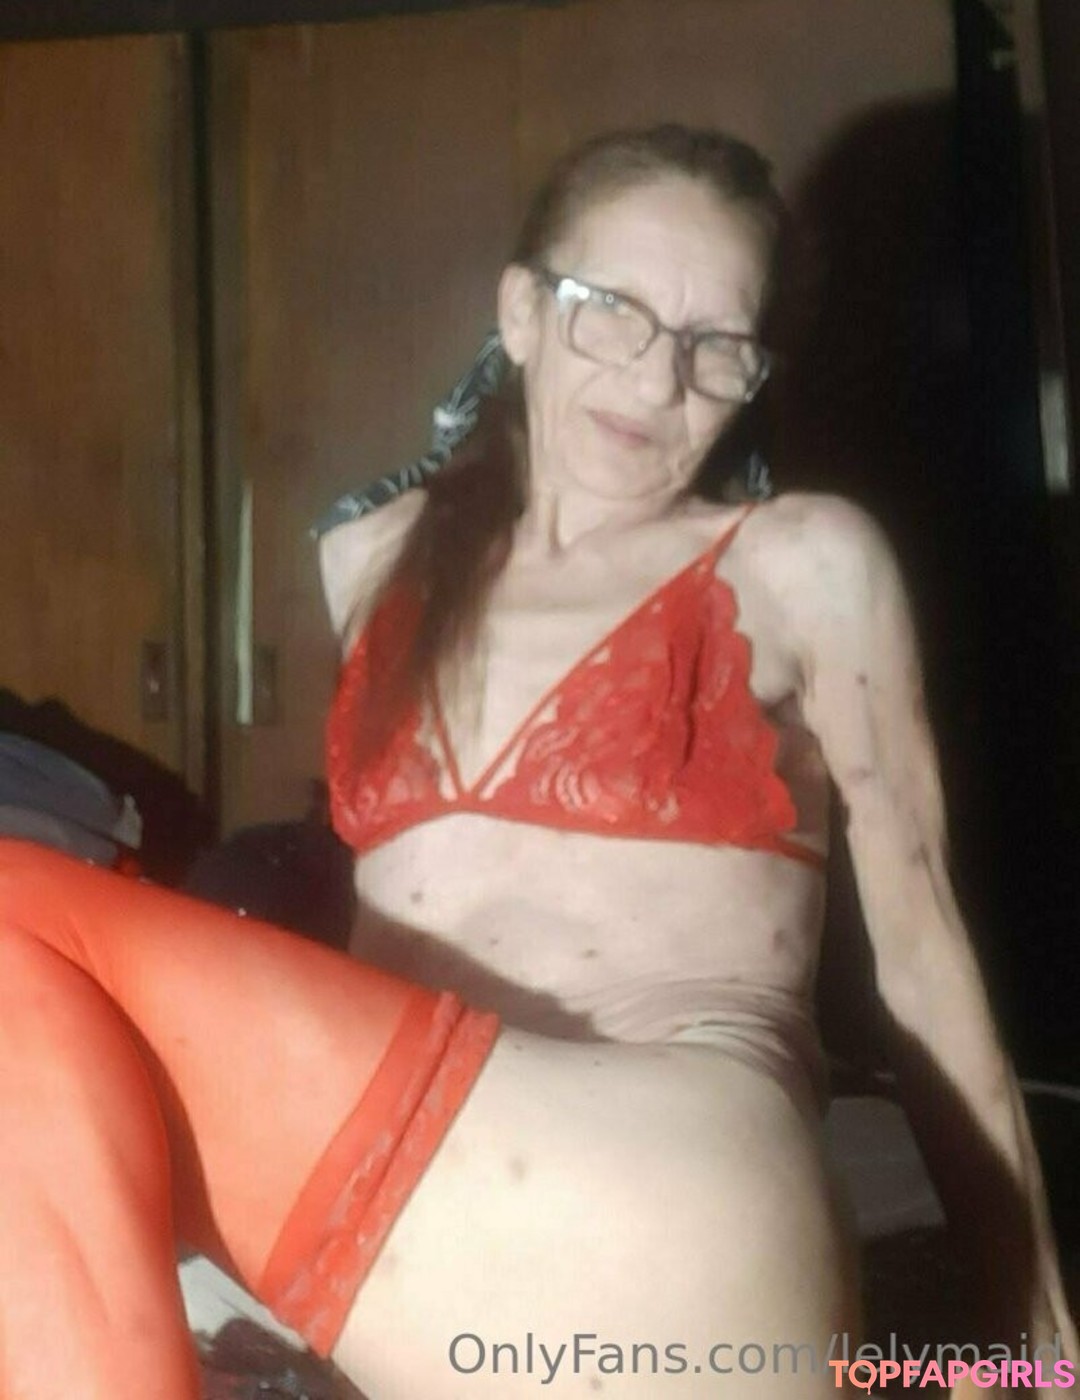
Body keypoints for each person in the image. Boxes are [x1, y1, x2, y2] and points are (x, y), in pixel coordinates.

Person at [0, 125, 1073, 1400]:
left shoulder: (802, 560)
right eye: (612, 311)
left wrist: (1032, 1334)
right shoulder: (375, 562)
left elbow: (926, 957)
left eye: (714, 344)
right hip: (444, 1240)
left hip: (672, 1197)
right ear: (521, 313)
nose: (656, 380)